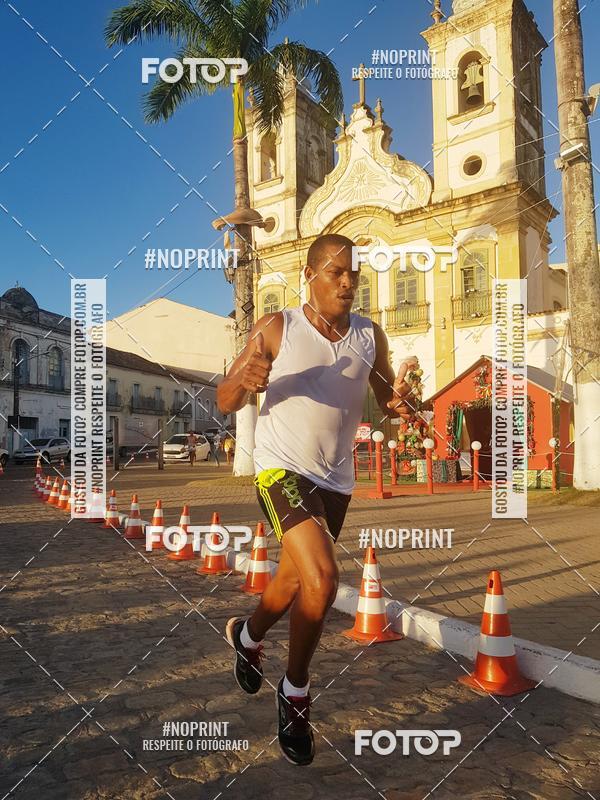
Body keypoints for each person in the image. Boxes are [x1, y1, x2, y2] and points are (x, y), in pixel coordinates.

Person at [216, 233, 418, 766]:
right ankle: (296, 691)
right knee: (324, 579)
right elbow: (224, 397)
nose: (348, 281)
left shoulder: (370, 336)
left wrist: (399, 404)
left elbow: (384, 396)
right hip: (280, 468)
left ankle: (248, 635)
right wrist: (243, 383)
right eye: (336, 272)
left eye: (354, 272)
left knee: (292, 579)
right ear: (311, 276)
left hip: (336, 481)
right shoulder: (278, 327)